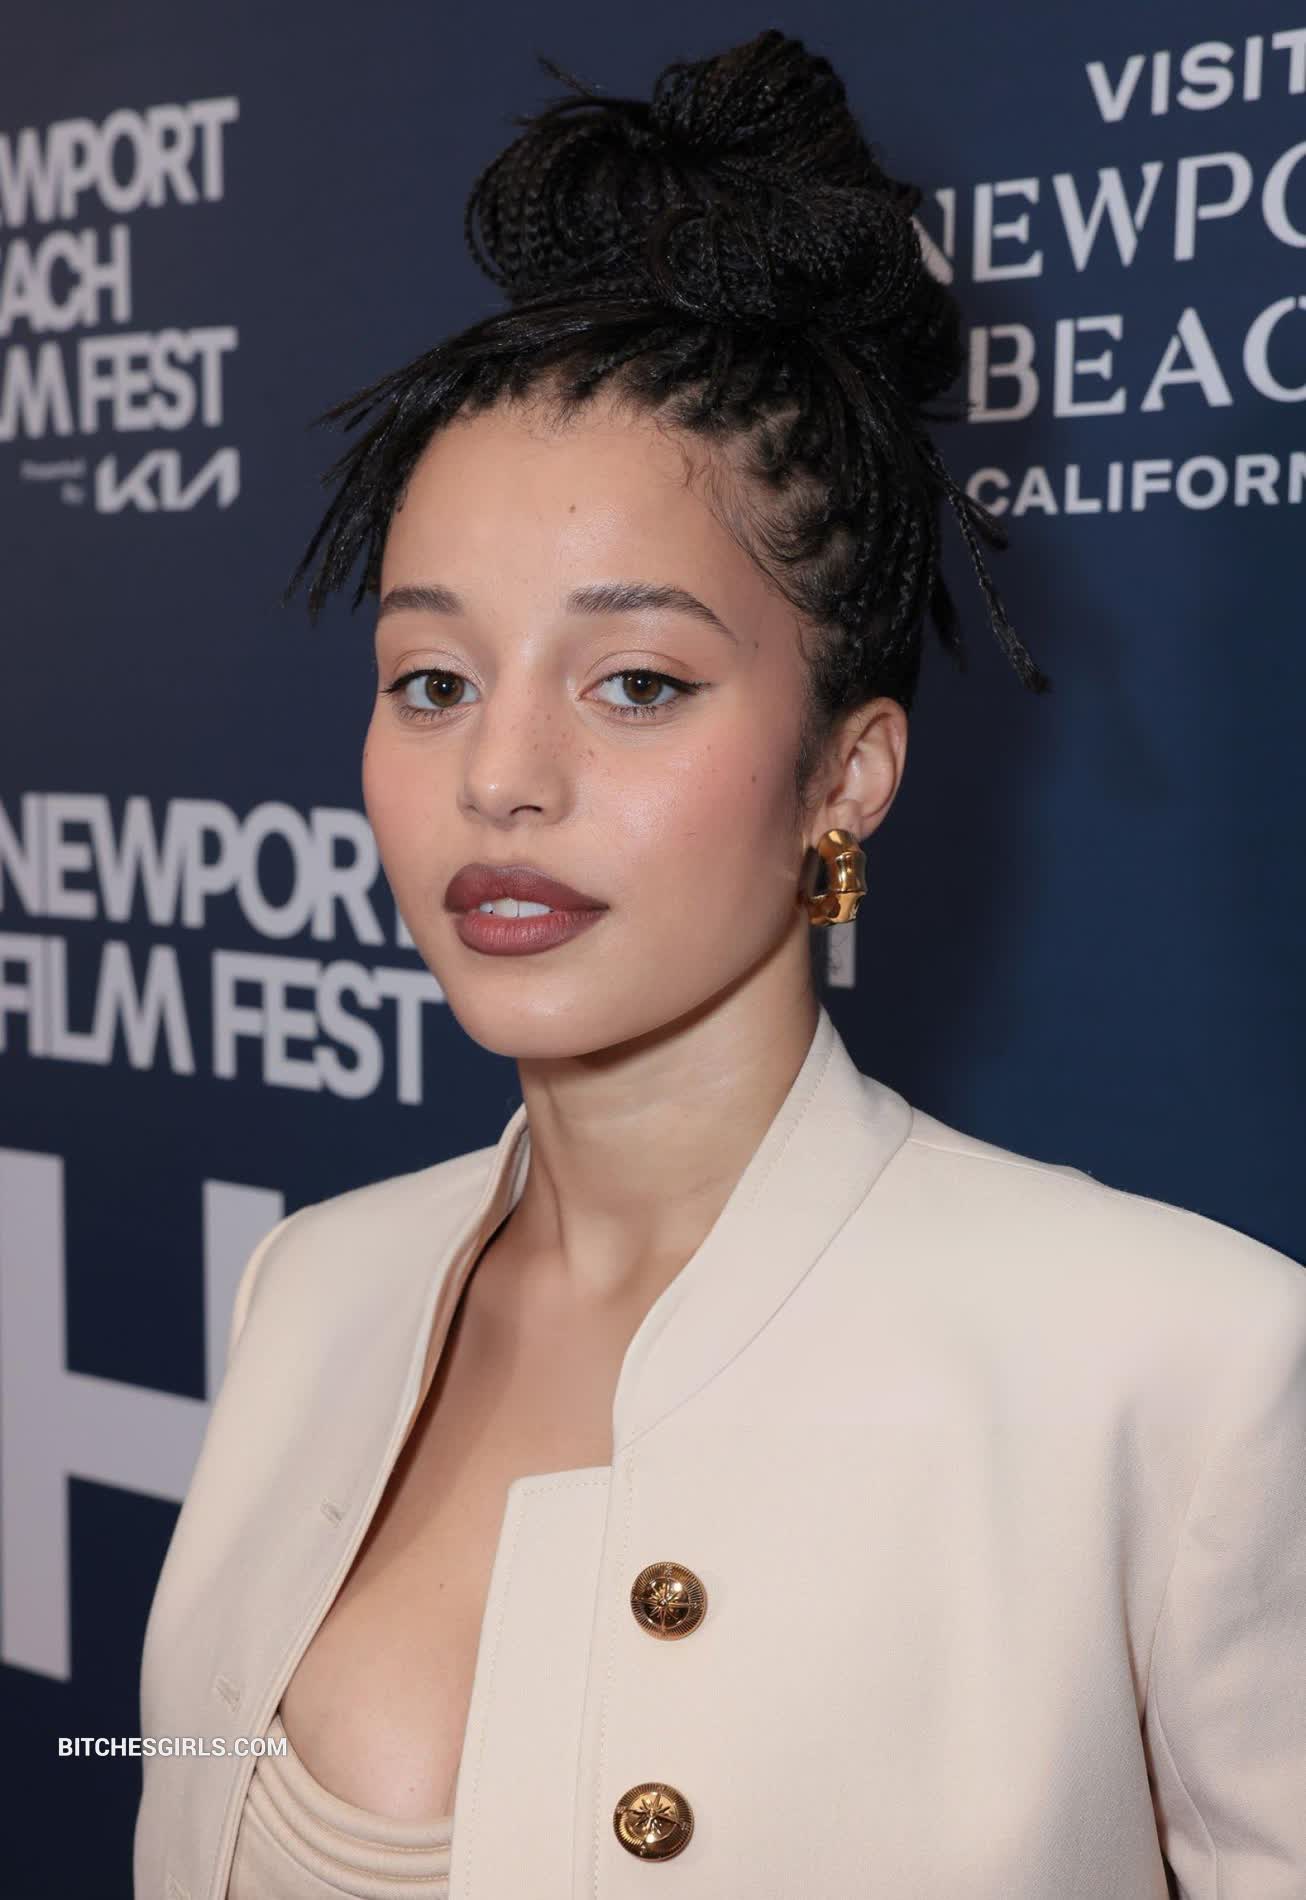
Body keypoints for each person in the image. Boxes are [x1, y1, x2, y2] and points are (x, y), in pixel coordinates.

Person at [134, 29, 1306, 1900]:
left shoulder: (1171, 1367)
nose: (500, 778)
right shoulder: (312, 1288)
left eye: (636, 682)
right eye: (430, 679)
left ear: (845, 773)